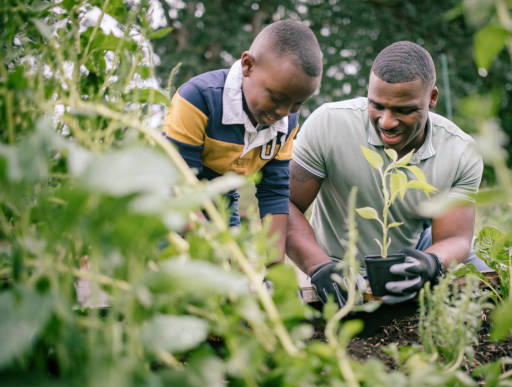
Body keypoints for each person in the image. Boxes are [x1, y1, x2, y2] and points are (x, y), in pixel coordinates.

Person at [286, 41, 485, 306]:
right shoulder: (329, 125)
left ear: (432, 98)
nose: (387, 122)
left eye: (404, 110)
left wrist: (431, 262)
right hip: (337, 262)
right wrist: (318, 266)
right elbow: (284, 204)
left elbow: (454, 238)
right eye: (377, 106)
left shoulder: (460, 152)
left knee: (485, 286)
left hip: (412, 254)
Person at [163, 20, 322, 261]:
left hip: (223, 206)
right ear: (248, 66)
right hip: (170, 205)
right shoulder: (198, 100)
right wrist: (216, 252)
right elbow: (178, 186)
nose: (284, 112)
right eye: (277, 98)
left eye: (296, 104)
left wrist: (273, 268)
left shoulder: (286, 123)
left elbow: (274, 193)